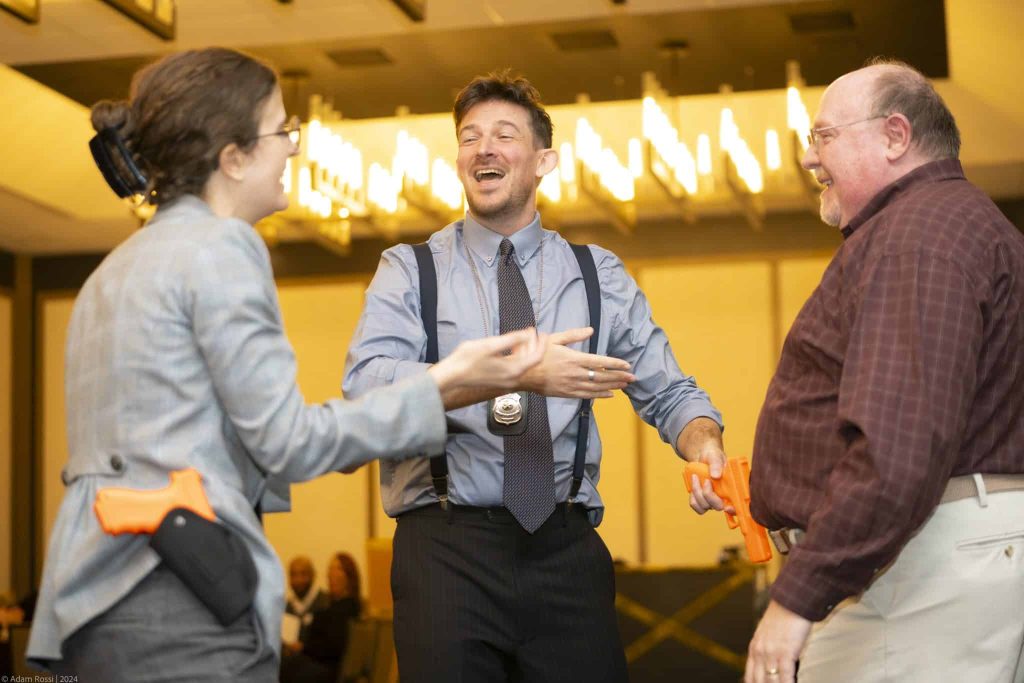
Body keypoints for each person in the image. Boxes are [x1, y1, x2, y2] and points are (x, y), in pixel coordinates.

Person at [25, 48, 549, 682]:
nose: (294, 149)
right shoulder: (222, 249)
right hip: (179, 592)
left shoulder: (116, 268)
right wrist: (443, 383)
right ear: (234, 157)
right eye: (282, 131)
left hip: (92, 596)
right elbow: (289, 442)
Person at [343, 70, 726, 683]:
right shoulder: (409, 270)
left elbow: (670, 389)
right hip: (444, 549)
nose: (483, 149)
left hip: (564, 547)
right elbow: (367, 385)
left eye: (503, 135)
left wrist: (705, 444)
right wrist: (513, 375)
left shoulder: (596, 273)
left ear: (544, 160)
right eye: (469, 138)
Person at [696, 59, 1024, 683]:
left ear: (895, 137)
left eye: (823, 137)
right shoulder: (946, 224)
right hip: (932, 556)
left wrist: (798, 597)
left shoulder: (917, 236)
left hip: (918, 567)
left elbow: (897, 449)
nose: (811, 159)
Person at [281, 552, 363, 683]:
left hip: (325, 669)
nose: (332, 574)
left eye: (338, 569)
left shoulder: (345, 607)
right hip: (315, 663)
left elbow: (334, 647)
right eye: (330, 569)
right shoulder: (331, 606)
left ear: (349, 576)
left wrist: (303, 647)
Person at [284, 555, 330, 648]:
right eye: (293, 575)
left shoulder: (326, 603)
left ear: (313, 575)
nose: (298, 580)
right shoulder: (286, 608)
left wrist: (304, 648)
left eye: (303, 574)